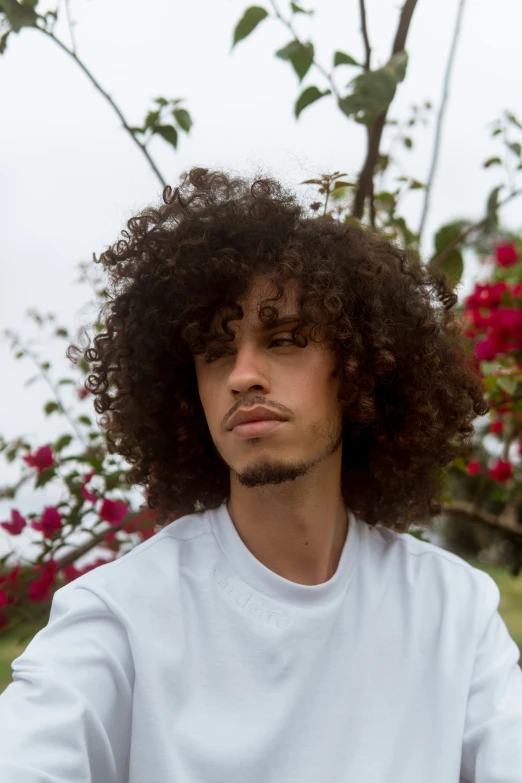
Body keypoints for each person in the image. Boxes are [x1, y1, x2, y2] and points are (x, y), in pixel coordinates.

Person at [0, 167, 520, 782]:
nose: (243, 374)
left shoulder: (452, 610)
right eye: (216, 351)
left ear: (357, 369)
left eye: (286, 338)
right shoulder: (119, 618)